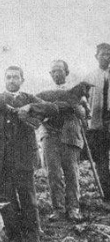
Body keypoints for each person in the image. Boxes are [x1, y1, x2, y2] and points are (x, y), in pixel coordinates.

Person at [0, 66, 57, 242]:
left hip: (23, 159)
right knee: (6, 201)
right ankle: (14, 237)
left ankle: (32, 238)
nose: (12, 80)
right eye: (8, 77)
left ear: (22, 80)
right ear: (4, 79)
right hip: (2, 160)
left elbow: (52, 108)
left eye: (15, 77)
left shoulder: (28, 98)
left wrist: (30, 107)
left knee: (28, 199)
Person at [42, 60, 85, 221]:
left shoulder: (75, 91)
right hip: (50, 135)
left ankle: (73, 208)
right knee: (53, 173)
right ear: (50, 74)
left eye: (60, 70)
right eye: (53, 71)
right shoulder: (44, 93)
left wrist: (75, 106)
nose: (57, 74)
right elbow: (38, 112)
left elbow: (83, 112)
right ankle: (58, 208)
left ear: (66, 72)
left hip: (70, 135)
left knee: (71, 173)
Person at [83, 43, 110, 201]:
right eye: (103, 54)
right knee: (101, 159)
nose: (106, 57)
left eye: (109, 54)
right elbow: (84, 101)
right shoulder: (90, 77)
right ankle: (107, 194)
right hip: (98, 124)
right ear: (96, 57)